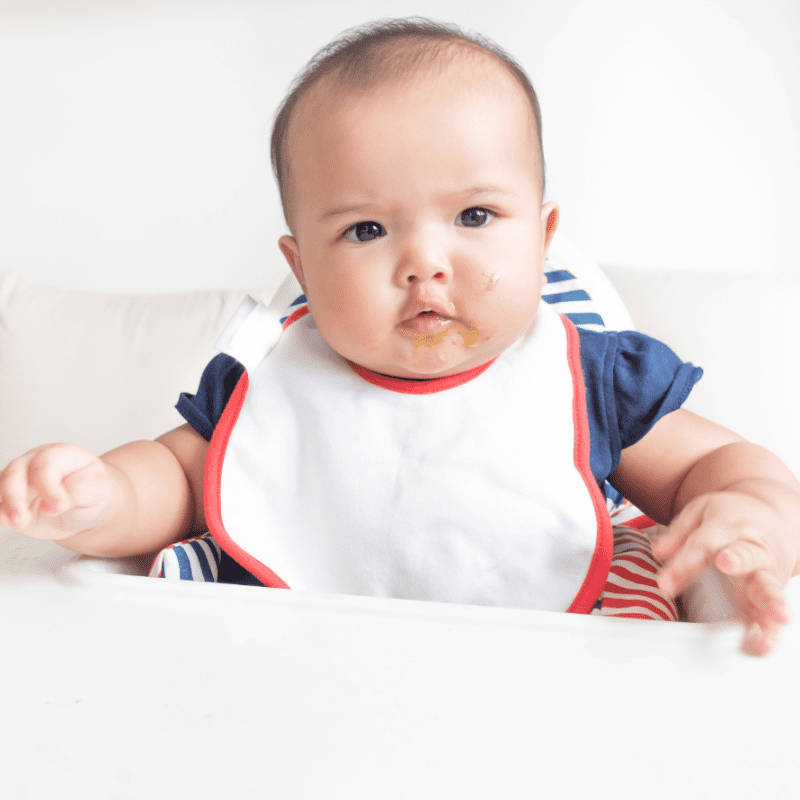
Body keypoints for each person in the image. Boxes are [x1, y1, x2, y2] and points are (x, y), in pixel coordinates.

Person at [1, 18, 798, 655]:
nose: (425, 262)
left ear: (542, 237)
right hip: (301, 668)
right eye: (367, 229)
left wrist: (750, 509)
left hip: (552, 670)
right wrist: (95, 497)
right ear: (302, 268)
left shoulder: (589, 377)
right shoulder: (269, 381)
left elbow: (708, 464)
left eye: (475, 217)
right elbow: (174, 483)